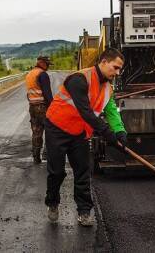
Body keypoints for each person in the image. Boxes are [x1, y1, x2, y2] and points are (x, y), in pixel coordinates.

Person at [44, 48, 127, 226]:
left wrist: (120, 132)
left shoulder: (108, 88)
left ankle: (84, 211)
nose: (117, 73)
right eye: (115, 67)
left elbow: (111, 110)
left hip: (80, 133)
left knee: (83, 171)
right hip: (57, 128)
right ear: (103, 62)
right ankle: (52, 202)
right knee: (57, 172)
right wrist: (108, 134)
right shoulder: (79, 79)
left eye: (120, 69)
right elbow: (86, 112)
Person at [25, 56, 53, 164]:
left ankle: (36, 157)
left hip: (32, 106)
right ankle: (46, 154)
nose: (48, 67)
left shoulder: (30, 74)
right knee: (50, 129)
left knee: (36, 131)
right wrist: (52, 106)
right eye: (47, 64)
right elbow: (47, 93)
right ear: (42, 63)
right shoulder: (42, 74)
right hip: (42, 106)